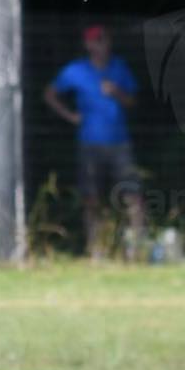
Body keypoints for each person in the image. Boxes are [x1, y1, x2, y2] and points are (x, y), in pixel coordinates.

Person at [44, 24, 146, 258]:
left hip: (120, 143)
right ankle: (96, 249)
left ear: (109, 42)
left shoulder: (119, 67)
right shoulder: (76, 70)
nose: (99, 45)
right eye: (95, 41)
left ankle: (136, 248)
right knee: (91, 198)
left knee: (133, 195)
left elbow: (132, 102)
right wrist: (70, 116)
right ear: (88, 45)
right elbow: (49, 94)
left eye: (103, 40)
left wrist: (117, 93)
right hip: (89, 144)